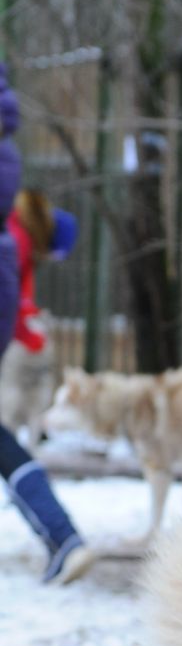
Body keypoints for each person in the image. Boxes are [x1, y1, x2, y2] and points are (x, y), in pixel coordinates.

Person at [0, 183, 96, 585]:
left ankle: (63, 538)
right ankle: (63, 537)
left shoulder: (14, 234)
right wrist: (24, 327)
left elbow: (12, 299)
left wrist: (24, 325)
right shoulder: (16, 237)